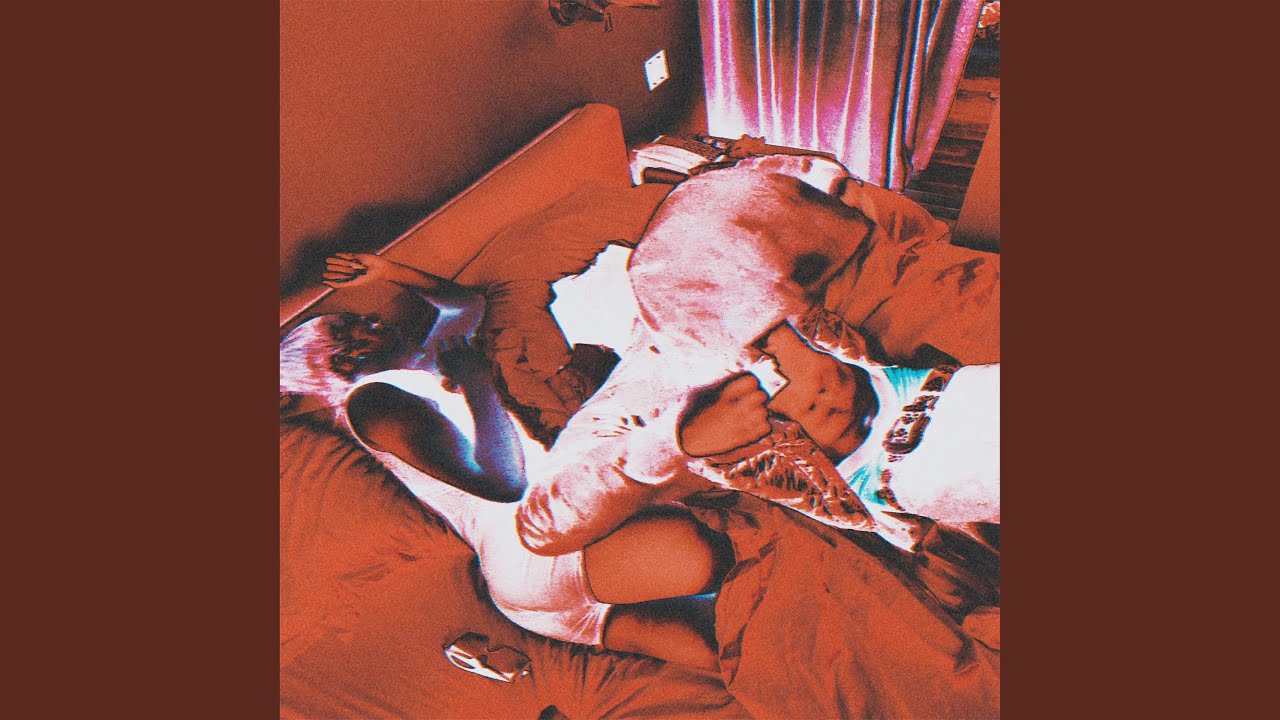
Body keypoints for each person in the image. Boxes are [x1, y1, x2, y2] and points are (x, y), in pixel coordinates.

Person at [280, 288, 732, 672]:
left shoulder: (420, 372)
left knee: (739, 650)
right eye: (354, 325)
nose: (375, 318)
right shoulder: (372, 401)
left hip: (531, 582)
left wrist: (387, 273)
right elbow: (503, 483)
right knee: (748, 552)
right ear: (346, 358)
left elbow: (465, 306)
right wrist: (476, 382)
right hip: (540, 548)